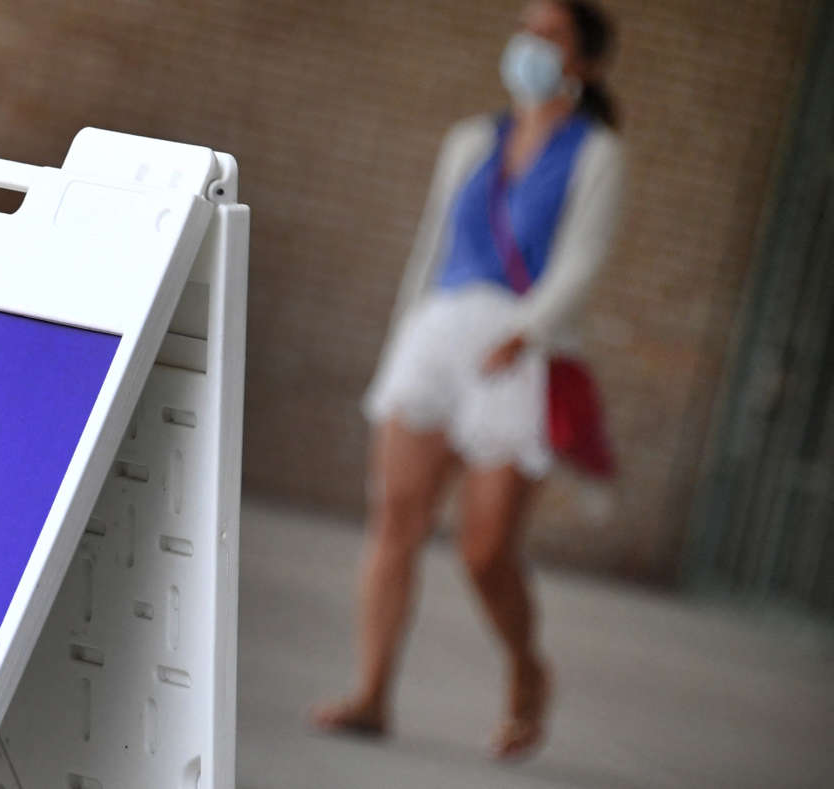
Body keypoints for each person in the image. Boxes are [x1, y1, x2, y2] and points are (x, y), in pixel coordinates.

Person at [312, 0, 625, 761]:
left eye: (548, 34)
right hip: (437, 338)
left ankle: (527, 667)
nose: (528, 44)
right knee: (395, 518)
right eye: (525, 29)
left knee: (485, 550)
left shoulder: (597, 152)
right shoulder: (471, 141)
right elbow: (431, 248)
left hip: (517, 353)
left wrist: (527, 331)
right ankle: (372, 692)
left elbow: (583, 260)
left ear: (581, 61)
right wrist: (402, 343)